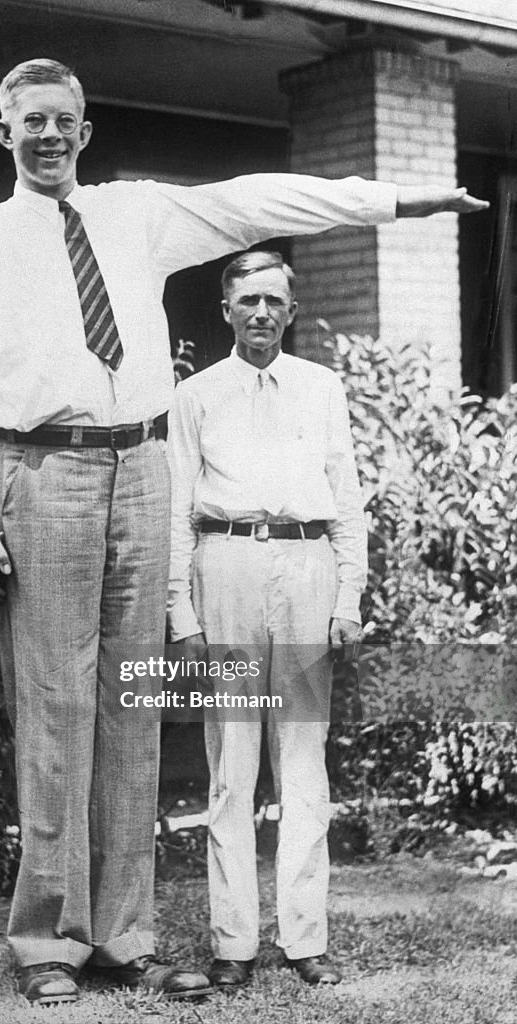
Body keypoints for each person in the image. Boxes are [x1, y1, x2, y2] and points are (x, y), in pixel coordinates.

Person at [0, 57, 487, 1006]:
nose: (50, 136)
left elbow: (256, 200)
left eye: (65, 120)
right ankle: (47, 942)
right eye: (32, 123)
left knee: (132, 709)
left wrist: (396, 201)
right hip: (41, 470)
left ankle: (124, 936)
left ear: (85, 130)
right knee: (56, 708)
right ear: (4, 134)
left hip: (143, 468)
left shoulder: (136, 212)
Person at [167, 250, 367, 989]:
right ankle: (233, 943)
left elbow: (345, 498)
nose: (259, 313)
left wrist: (347, 598)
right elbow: (174, 512)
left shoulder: (321, 388)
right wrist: (179, 612)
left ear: (289, 310)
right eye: (246, 300)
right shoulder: (196, 395)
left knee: (304, 761)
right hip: (225, 567)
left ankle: (306, 939)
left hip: (307, 568)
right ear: (226, 310)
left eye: (272, 302)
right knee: (232, 764)